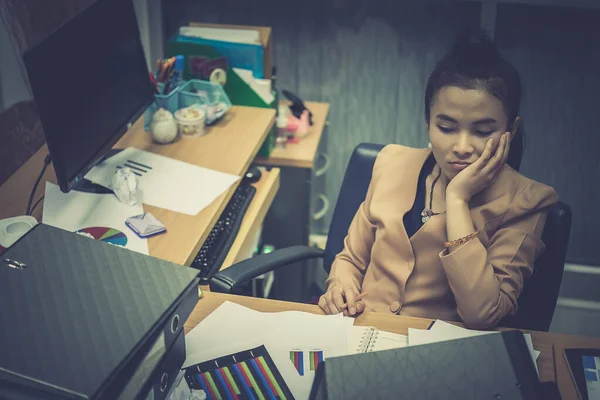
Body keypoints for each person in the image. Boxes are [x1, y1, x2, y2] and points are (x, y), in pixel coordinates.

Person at [318, 32, 559, 329]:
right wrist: (339, 287)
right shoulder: (391, 162)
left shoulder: (527, 201)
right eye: (446, 127)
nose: (462, 146)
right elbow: (349, 259)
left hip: (438, 356)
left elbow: (483, 313)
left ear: (511, 128)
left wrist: (457, 200)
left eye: (483, 131)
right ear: (428, 123)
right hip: (360, 333)